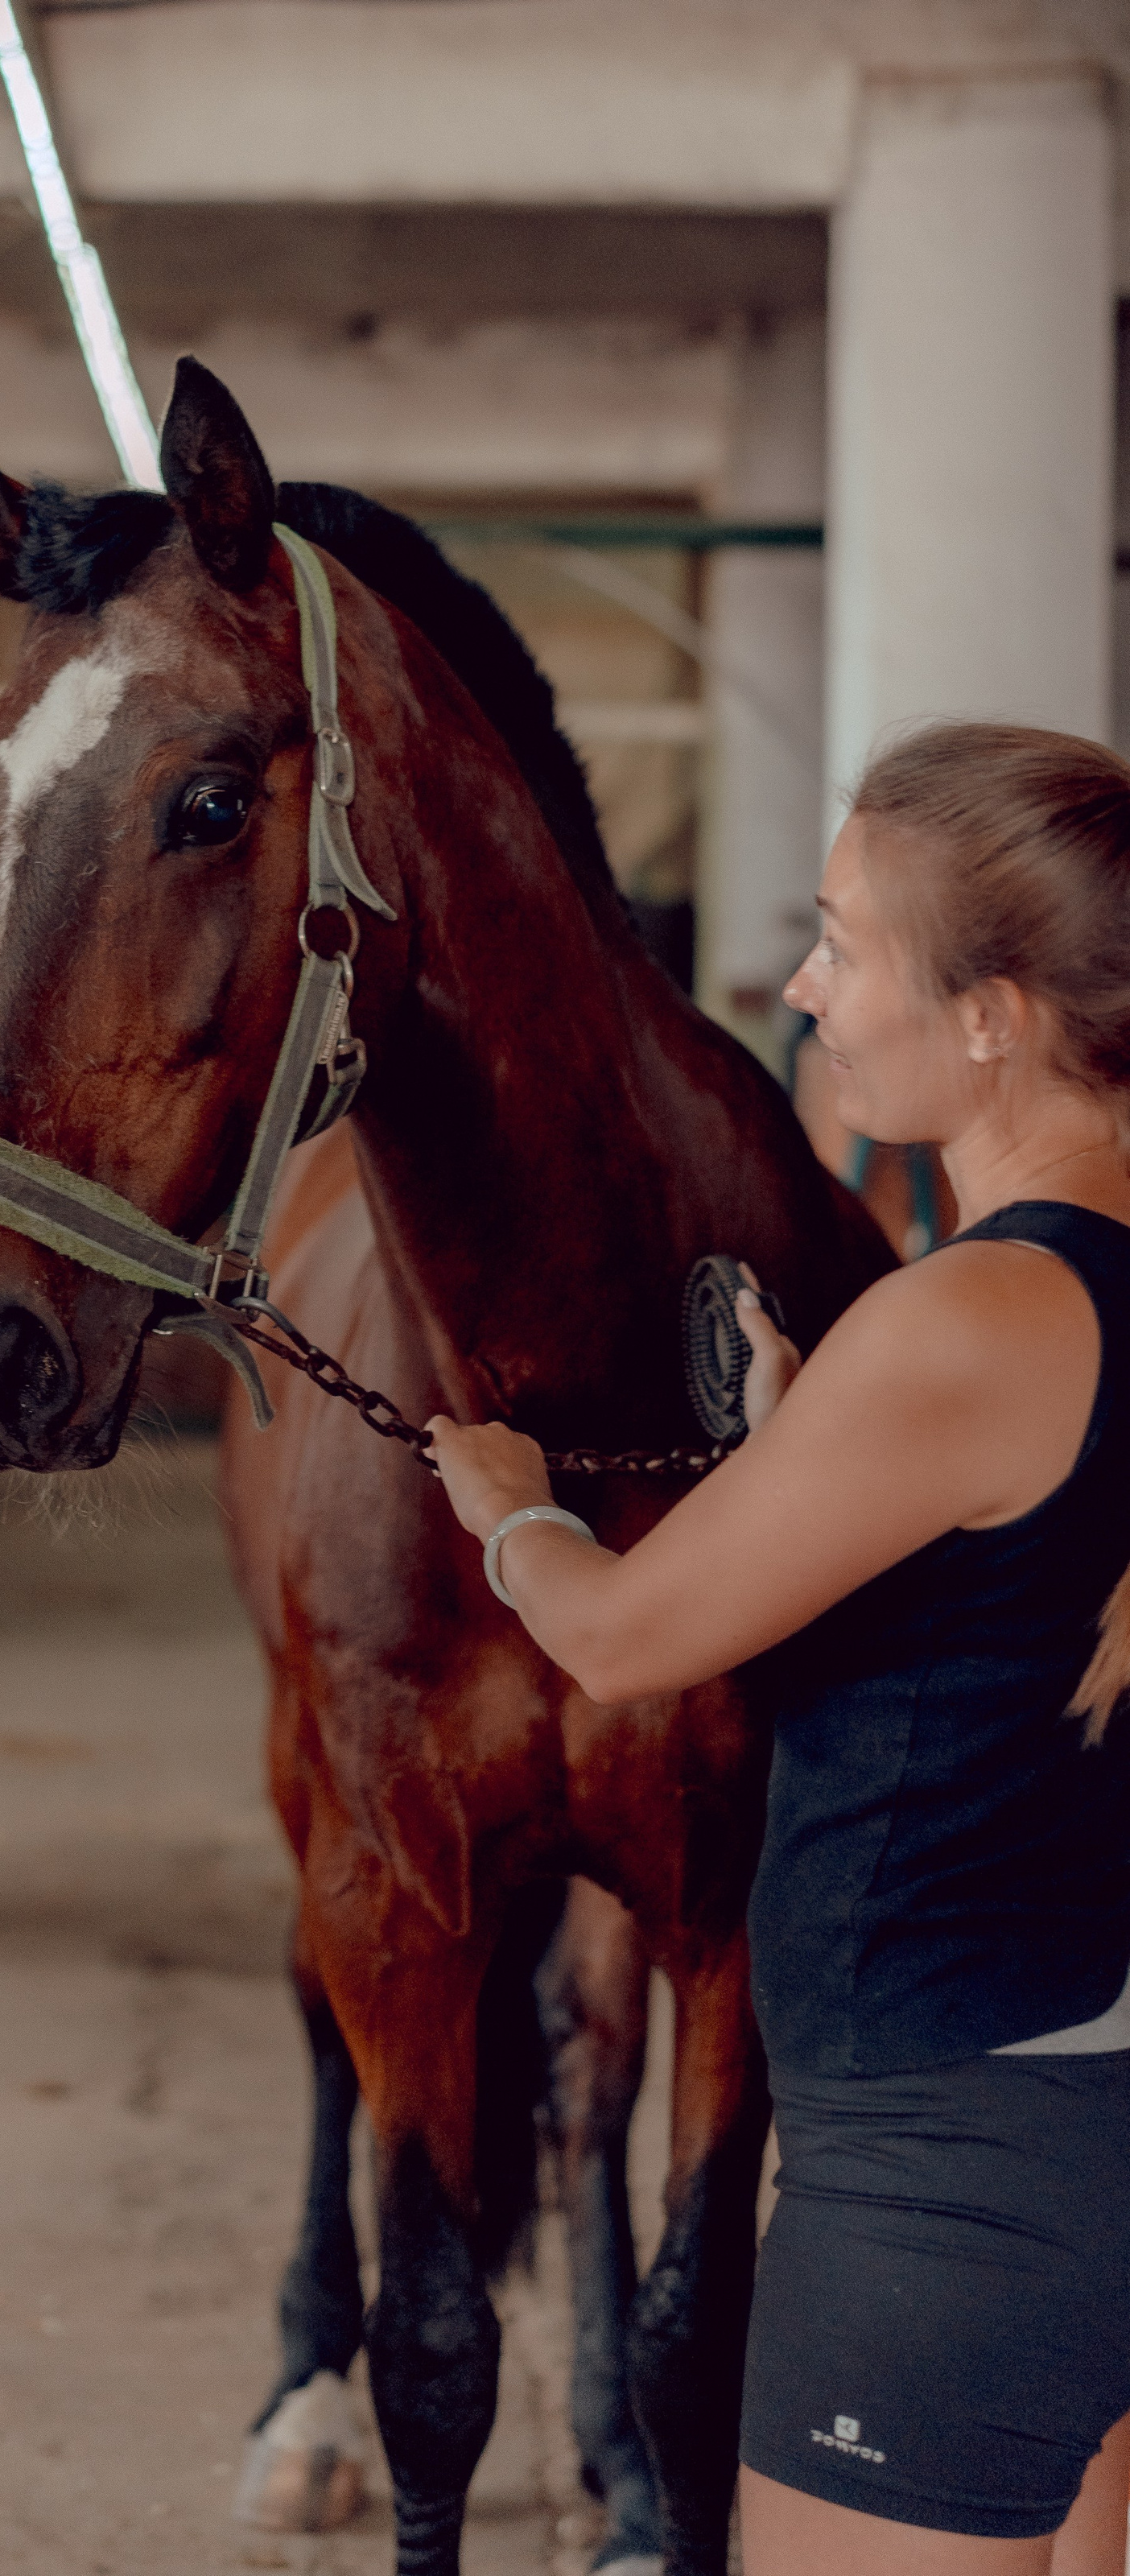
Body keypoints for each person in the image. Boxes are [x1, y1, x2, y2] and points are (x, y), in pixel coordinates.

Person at [427, 721, 1130, 2576]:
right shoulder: (1054, 1309)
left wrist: (506, 1504)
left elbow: (618, 1633)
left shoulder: (967, 1314)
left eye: (837, 939)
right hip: (1077, 2098)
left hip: (942, 2166)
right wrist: (817, 1439)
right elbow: (1028, 1575)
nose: (802, 983)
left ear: (988, 1015)